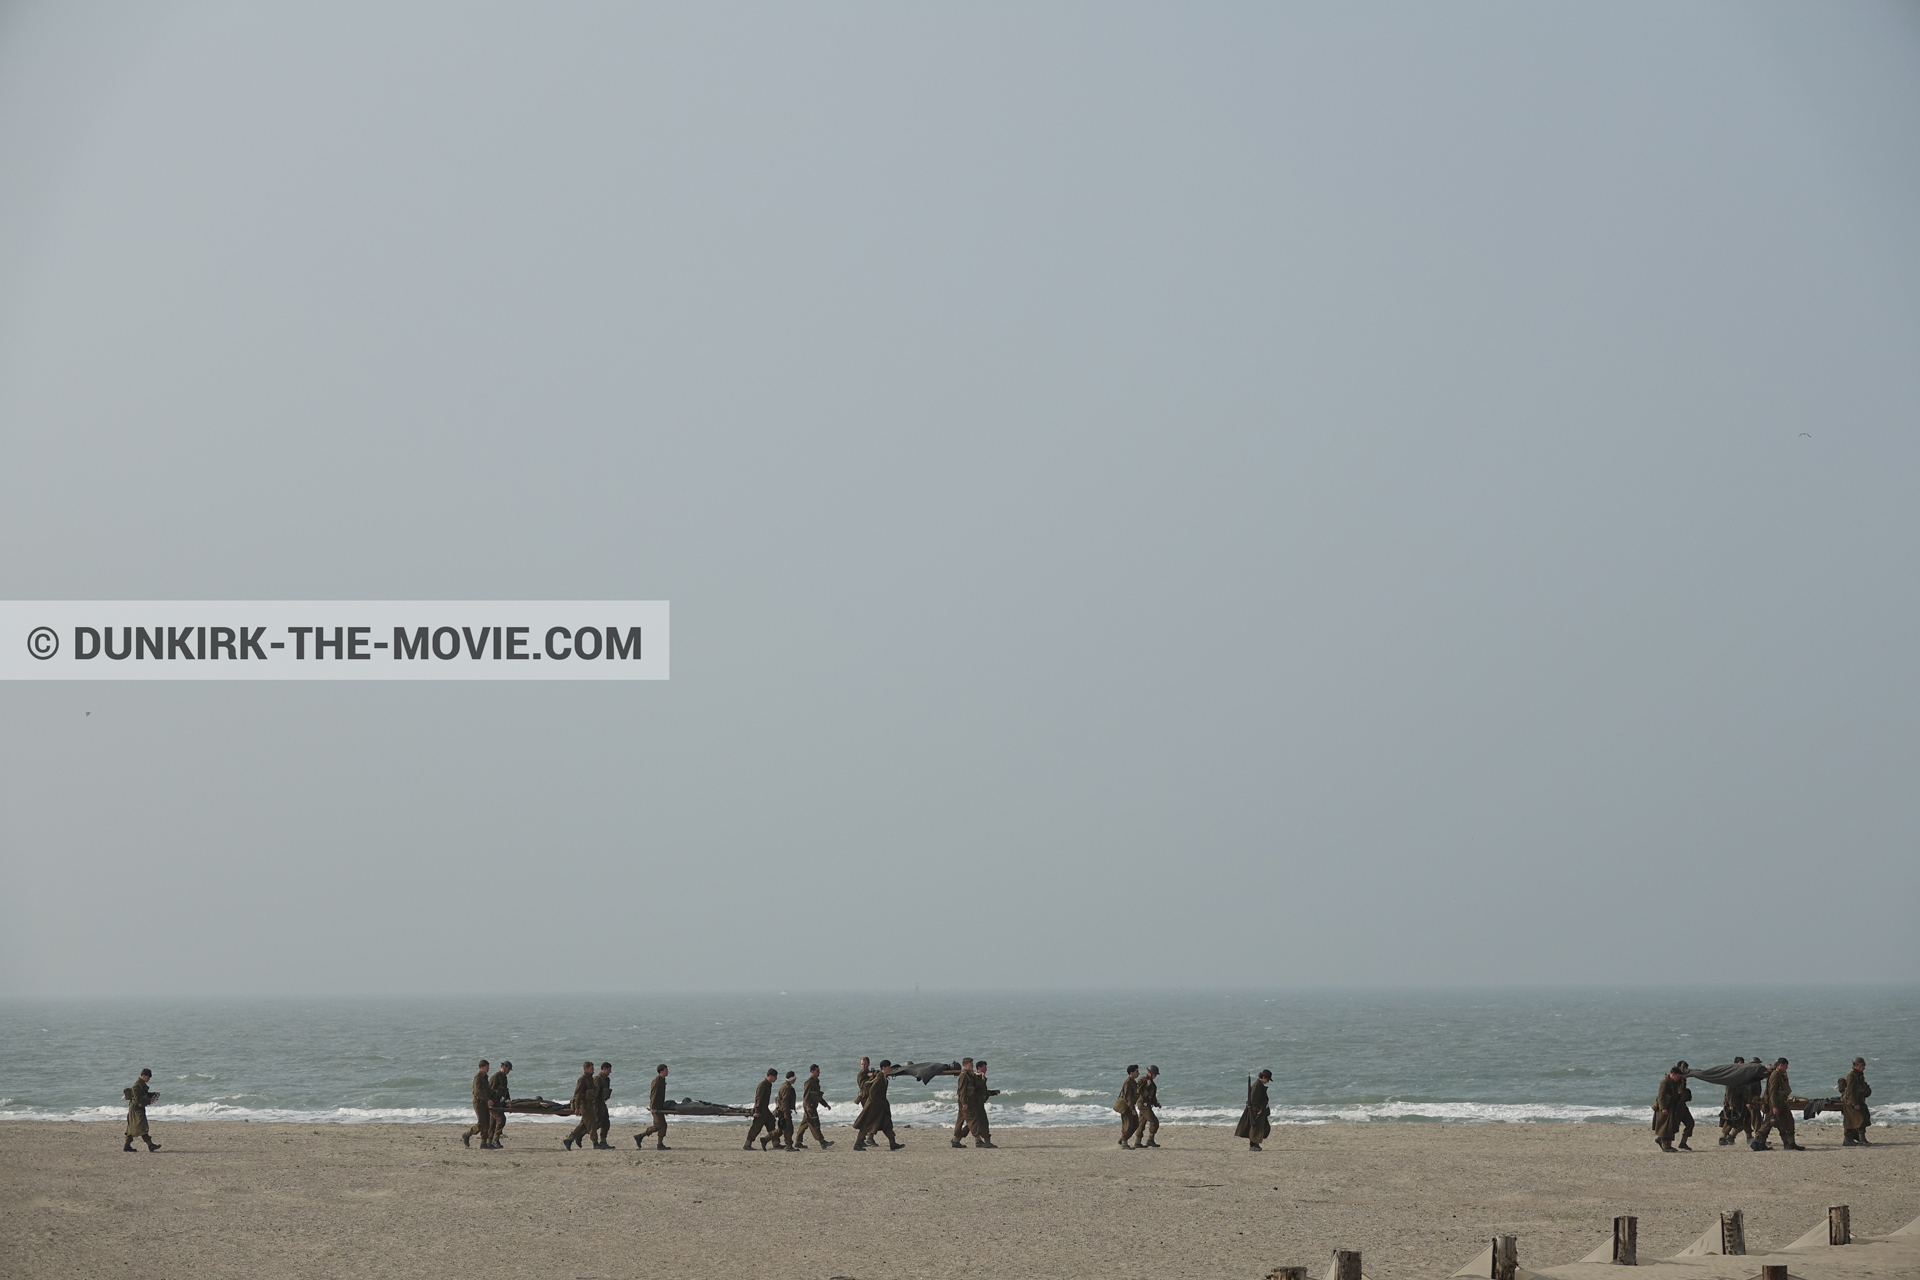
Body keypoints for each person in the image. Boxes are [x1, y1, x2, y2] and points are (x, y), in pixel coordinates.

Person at [854, 1059, 903, 1150]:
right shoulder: (879, 1079)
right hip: (873, 1106)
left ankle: (893, 1143)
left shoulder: (883, 1077)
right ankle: (857, 1144)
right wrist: (877, 1104)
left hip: (881, 1106)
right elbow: (872, 1092)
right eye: (888, 1067)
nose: (890, 1069)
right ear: (884, 1068)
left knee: (886, 1123)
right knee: (866, 1125)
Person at [1759, 1057, 1803, 1152]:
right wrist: (1774, 1106)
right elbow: (1772, 1092)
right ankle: (1757, 1142)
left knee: (1788, 1121)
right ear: (1780, 1065)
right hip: (1775, 1104)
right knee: (1769, 1123)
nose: (1786, 1068)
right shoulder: (1775, 1075)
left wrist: (1786, 1078)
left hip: (1782, 1104)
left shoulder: (1781, 1075)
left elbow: (1787, 1091)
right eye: (1785, 1066)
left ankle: (1791, 1143)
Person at [795, 1064, 832, 1150]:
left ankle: (798, 1142)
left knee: (804, 1123)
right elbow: (806, 1095)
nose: (819, 1073)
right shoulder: (809, 1082)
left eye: (819, 1071)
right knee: (815, 1123)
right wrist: (808, 1106)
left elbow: (817, 1095)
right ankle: (822, 1142)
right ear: (812, 1071)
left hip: (812, 1105)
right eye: (817, 1071)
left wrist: (825, 1104)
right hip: (810, 1106)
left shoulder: (816, 1081)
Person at [1716, 1058, 1752, 1147]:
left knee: (1746, 1117)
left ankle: (1748, 1137)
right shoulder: (1732, 1076)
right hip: (1733, 1103)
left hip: (1741, 1102)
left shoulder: (1741, 1075)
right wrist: (1732, 1104)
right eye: (1740, 1064)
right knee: (1731, 1121)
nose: (1742, 1066)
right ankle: (1723, 1138)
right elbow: (1729, 1092)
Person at [635, 1064, 671, 1150]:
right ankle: (640, 1136)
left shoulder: (662, 1080)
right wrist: (653, 1108)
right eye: (666, 1070)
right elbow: (653, 1095)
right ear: (661, 1071)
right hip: (656, 1107)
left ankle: (659, 1143)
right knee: (659, 1125)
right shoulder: (657, 1081)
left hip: (659, 1106)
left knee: (662, 1125)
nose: (667, 1072)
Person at [123, 1068, 160, 1153]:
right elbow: (138, 1098)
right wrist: (149, 1100)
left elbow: (144, 1094)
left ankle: (127, 1146)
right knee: (142, 1127)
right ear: (143, 1076)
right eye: (148, 1077)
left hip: (137, 1109)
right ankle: (150, 1145)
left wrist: (153, 1094)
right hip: (135, 1109)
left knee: (131, 1128)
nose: (149, 1079)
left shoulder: (141, 1084)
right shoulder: (136, 1086)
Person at [564, 1060, 598, 1151]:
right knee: (592, 1124)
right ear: (586, 1069)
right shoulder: (582, 1079)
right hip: (584, 1105)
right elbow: (577, 1094)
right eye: (591, 1068)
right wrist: (577, 1107)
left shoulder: (590, 1078)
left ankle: (569, 1139)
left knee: (583, 1125)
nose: (593, 1069)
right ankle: (595, 1143)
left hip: (589, 1104)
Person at [1235, 1070, 1272, 1152]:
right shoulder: (1257, 1085)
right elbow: (1254, 1099)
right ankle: (1253, 1144)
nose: (1268, 1081)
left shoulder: (1259, 1085)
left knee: (1260, 1127)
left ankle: (1255, 1143)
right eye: (1267, 1079)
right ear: (1263, 1077)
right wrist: (1259, 1109)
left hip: (1258, 1109)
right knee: (1255, 1128)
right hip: (1256, 1110)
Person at [1653, 1065, 1687, 1153]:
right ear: (1672, 1074)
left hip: (1671, 1106)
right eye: (1677, 1076)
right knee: (1665, 1127)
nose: (1678, 1078)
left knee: (1670, 1126)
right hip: (1664, 1107)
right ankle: (1665, 1146)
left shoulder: (1675, 1082)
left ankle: (1666, 1144)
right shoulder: (1664, 1082)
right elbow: (1661, 1095)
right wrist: (1663, 1108)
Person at [746, 1068, 781, 1151]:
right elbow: (758, 1098)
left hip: (765, 1109)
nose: (776, 1079)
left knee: (771, 1122)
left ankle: (776, 1143)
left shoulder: (768, 1084)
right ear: (770, 1076)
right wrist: (757, 1111)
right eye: (775, 1077)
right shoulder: (763, 1085)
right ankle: (747, 1143)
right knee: (756, 1127)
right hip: (761, 1110)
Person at [1840, 1058, 1872, 1146]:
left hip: (1857, 1100)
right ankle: (1857, 1139)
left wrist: (1861, 1098)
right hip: (1850, 1101)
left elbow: (1859, 1088)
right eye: (1862, 1065)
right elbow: (1850, 1091)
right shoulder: (1852, 1076)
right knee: (1860, 1118)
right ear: (1856, 1066)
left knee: (1863, 1116)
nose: (1864, 1067)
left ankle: (1855, 1139)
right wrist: (1855, 1104)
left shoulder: (1859, 1075)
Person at [968, 1060, 998, 1148]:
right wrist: (982, 1078)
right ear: (980, 1068)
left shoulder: (980, 1077)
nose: (986, 1069)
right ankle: (985, 1142)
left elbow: (983, 1092)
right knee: (982, 1122)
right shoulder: (975, 1077)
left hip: (978, 1103)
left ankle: (957, 1138)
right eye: (985, 1068)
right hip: (976, 1104)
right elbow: (977, 1090)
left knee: (973, 1123)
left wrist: (993, 1092)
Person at [463, 1059, 492, 1148]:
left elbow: (488, 1090)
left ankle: (483, 1143)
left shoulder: (485, 1077)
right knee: (481, 1123)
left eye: (488, 1067)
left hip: (485, 1103)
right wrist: (488, 1100)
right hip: (478, 1102)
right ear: (481, 1067)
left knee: (487, 1122)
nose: (488, 1069)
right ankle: (467, 1134)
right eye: (487, 1067)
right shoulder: (478, 1077)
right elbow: (478, 1091)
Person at [1133, 1065, 1161, 1149]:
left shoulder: (1153, 1084)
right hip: (1143, 1104)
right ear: (1149, 1073)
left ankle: (1137, 1142)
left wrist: (1157, 1104)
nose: (1155, 1076)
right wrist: (1147, 1086)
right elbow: (1139, 1091)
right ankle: (1150, 1140)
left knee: (1141, 1123)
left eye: (1156, 1075)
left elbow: (1152, 1097)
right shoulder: (1142, 1080)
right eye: (1154, 1074)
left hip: (1147, 1105)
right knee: (1154, 1122)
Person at [1669, 1060, 1695, 1149]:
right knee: (1674, 1126)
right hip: (1676, 1106)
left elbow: (1683, 1090)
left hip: (1682, 1105)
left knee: (1690, 1123)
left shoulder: (1682, 1078)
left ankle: (1683, 1142)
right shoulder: (1674, 1079)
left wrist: (1688, 1094)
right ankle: (1663, 1141)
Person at [950, 1058, 976, 1147]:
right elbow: (962, 1090)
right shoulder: (964, 1075)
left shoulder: (969, 1074)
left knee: (960, 1120)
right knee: (972, 1120)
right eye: (971, 1064)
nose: (972, 1066)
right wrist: (964, 1102)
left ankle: (956, 1139)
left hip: (965, 1100)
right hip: (964, 1101)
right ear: (965, 1065)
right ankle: (978, 1140)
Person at [1115, 1066, 1142, 1149]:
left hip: (1130, 1106)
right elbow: (1128, 1097)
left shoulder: (1133, 1082)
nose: (1138, 1073)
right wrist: (1132, 1109)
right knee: (1127, 1125)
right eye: (1136, 1071)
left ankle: (1123, 1139)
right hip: (1127, 1107)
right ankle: (1124, 1143)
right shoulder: (1128, 1082)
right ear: (1131, 1073)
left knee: (1136, 1124)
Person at [488, 1060, 513, 1149]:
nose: (508, 1071)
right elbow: (489, 1090)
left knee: (492, 1123)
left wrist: (509, 1102)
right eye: (508, 1069)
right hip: (492, 1103)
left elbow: (505, 1091)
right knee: (501, 1119)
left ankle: (489, 1142)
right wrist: (489, 1102)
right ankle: (495, 1140)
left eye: (510, 1070)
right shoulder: (496, 1077)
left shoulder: (504, 1078)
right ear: (503, 1067)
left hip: (498, 1103)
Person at [776, 1071, 799, 1151]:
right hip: (784, 1111)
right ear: (791, 1079)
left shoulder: (784, 1086)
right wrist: (786, 1113)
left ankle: (765, 1139)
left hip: (783, 1110)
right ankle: (788, 1145)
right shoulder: (786, 1088)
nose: (795, 1079)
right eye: (794, 1078)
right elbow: (785, 1101)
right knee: (788, 1129)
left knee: (781, 1129)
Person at [593, 1062, 614, 1148]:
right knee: (597, 1123)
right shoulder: (598, 1079)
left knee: (606, 1122)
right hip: (597, 1103)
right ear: (604, 1069)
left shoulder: (606, 1079)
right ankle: (577, 1136)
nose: (610, 1072)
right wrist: (595, 1106)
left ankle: (603, 1141)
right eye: (609, 1070)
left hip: (602, 1102)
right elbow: (595, 1094)